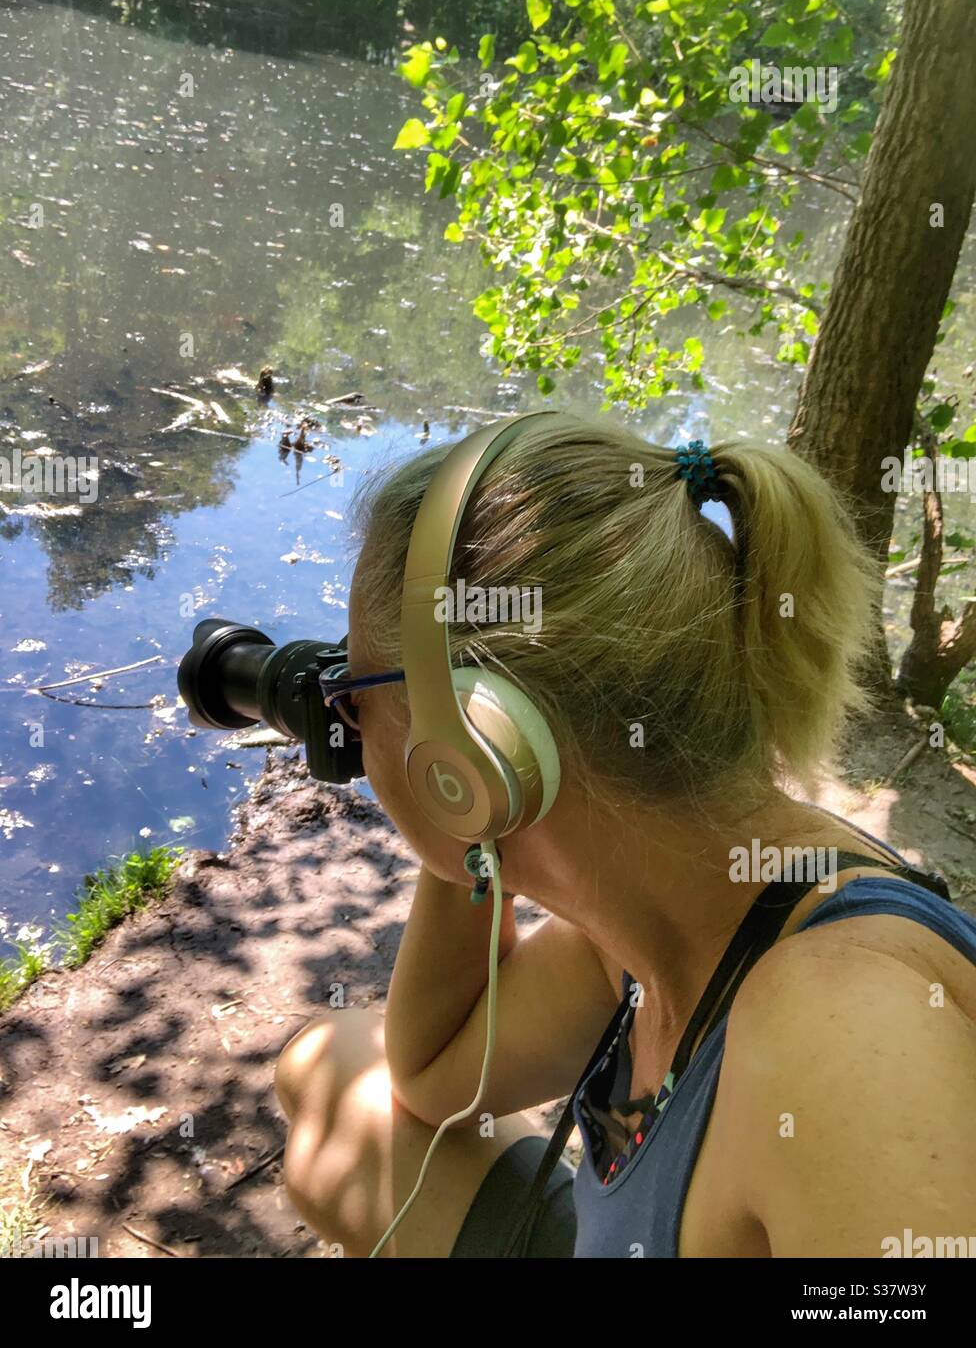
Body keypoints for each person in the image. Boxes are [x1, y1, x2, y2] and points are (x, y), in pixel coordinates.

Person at [273, 416, 976, 1258]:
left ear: (472, 745)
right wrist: (472, 832)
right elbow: (429, 1075)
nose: (344, 718)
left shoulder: (843, 1042)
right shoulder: (660, 923)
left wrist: (464, 793)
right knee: (325, 1065)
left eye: (353, 689)